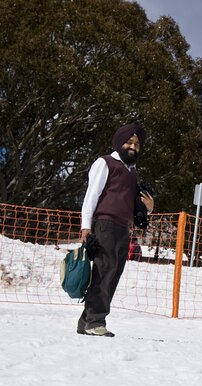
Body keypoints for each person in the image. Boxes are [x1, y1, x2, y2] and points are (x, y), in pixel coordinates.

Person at [76, 123, 154, 337]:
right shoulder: (105, 162)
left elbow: (136, 204)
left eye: (137, 144)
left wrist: (148, 208)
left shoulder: (132, 172)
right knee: (104, 271)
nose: (133, 146)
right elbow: (92, 194)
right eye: (129, 142)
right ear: (120, 143)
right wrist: (86, 226)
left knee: (113, 273)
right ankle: (95, 321)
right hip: (105, 224)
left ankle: (87, 321)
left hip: (123, 228)